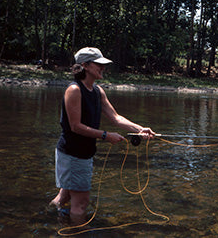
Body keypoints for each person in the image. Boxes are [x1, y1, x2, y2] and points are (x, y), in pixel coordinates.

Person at [50, 47, 155, 224]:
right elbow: (75, 127)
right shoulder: (74, 90)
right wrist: (106, 136)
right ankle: (75, 233)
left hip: (83, 153)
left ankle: (46, 219)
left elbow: (116, 118)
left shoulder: (98, 91)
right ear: (85, 65)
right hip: (73, 154)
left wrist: (140, 129)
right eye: (99, 64)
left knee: (64, 197)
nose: (103, 67)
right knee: (81, 204)